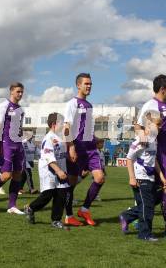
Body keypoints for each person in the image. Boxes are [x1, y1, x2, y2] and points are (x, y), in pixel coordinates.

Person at [134, 74, 166, 241]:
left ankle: (135, 216)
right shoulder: (151, 105)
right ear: (163, 89)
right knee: (160, 190)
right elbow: (138, 125)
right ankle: (139, 218)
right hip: (156, 153)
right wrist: (143, 140)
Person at [119, 110, 166, 241]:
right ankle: (145, 234)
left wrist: (161, 176)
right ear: (149, 124)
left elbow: (154, 160)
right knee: (147, 206)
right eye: (158, 124)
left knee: (146, 204)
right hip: (140, 178)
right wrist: (132, 177)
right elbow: (129, 159)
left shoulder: (154, 140)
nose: (160, 127)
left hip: (151, 177)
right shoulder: (140, 141)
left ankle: (126, 216)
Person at [63, 73, 105, 226]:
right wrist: (71, 147)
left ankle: (85, 209)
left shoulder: (89, 105)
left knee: (100, 178)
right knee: (71, 183)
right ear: (78, 85)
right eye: (86, 84)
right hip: (77, 148)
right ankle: (68, 216)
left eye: (90, 84)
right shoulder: (72, 104)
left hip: (91, 148)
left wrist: (95, 139)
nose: (89, 86)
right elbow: (66, 128)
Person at [0, 82, 26, 215]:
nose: (20, 94)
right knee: (7, 175)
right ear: (11, 92)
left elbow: (19, 127)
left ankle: (12, 206)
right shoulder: (4, 106)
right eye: (18, 91)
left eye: (22, 92)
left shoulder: (21, 109)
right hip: (6, 143)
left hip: (18, 144)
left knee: (18, 175)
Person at [24, 113, 70, 230]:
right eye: (62, 123)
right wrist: (58, 171)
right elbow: (49, 157)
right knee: (47, 195)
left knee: (61, 195)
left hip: (61, 170)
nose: (64, 125)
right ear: (54, 124)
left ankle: (56, 220)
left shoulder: (61, 138)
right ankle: (31, 208)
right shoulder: (48, 139)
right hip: (49, 170)